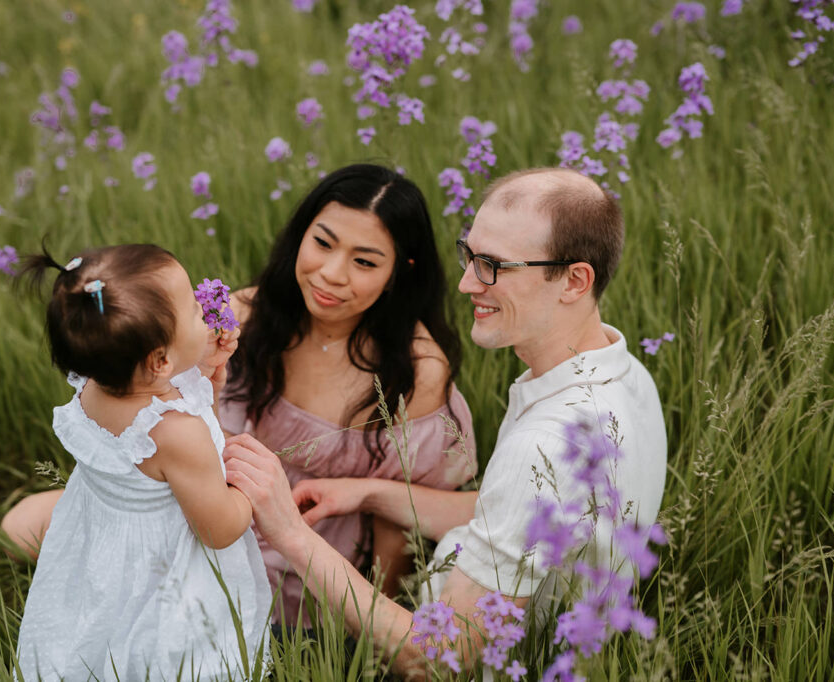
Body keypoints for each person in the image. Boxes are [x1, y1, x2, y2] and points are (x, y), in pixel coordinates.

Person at [222, 168, 668, 678]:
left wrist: (289, 533)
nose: (466, 282)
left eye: (493, 266)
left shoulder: (544, 443)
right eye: (470, 256)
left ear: (574, 280)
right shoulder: (624, 373)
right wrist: (367, 492)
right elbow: (510, 512)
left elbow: (437, 657)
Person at [1, 164, 478, 627]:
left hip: (306, 544)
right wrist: (208, 388)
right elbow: (147, 401)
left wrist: (375, 620)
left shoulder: (415, 369)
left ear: (401, 269)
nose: (332, 273)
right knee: (21, 526)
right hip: (202, 499)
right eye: (322, 243)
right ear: (302, 233)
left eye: (365, 261)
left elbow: (404, 519)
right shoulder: (243, 313)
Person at [13, 245, 270, 681]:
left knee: (102, 641)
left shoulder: (97, 382)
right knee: (158, 655)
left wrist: (204, 372)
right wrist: (250, 491)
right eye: (193, 311)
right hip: (163, 571)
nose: (205, 317)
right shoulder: (177, 433)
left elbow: (159, 390)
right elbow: (218, 529)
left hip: (101, 555)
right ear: (160, 360)